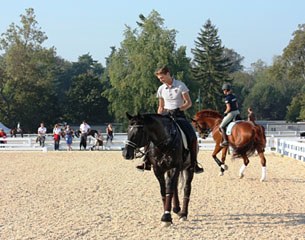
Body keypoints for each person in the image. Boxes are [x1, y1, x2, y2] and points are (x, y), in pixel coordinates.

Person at [136, 65, 203, 174]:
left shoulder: (181, 86)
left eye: (162, 78)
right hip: (165, 116)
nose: (161, 80)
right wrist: (157, 117)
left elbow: (188, 103)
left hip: (178, 115)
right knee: (150, 133)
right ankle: (146, 161)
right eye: (159, 79)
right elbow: (161, 106)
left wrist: (179, 109)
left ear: (168, 74)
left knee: (191, 135)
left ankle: (194, 163)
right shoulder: (161, 89)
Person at [219, 83, 240, 147]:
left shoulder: (227, 98)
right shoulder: (234, 96)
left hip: (231, 113)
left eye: (223, 90)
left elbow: (229, 108)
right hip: (237, 112)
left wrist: (224, 113)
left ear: (225, 90)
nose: (223, 92)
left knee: (221, 126)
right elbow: (237, 105)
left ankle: (225, 141)